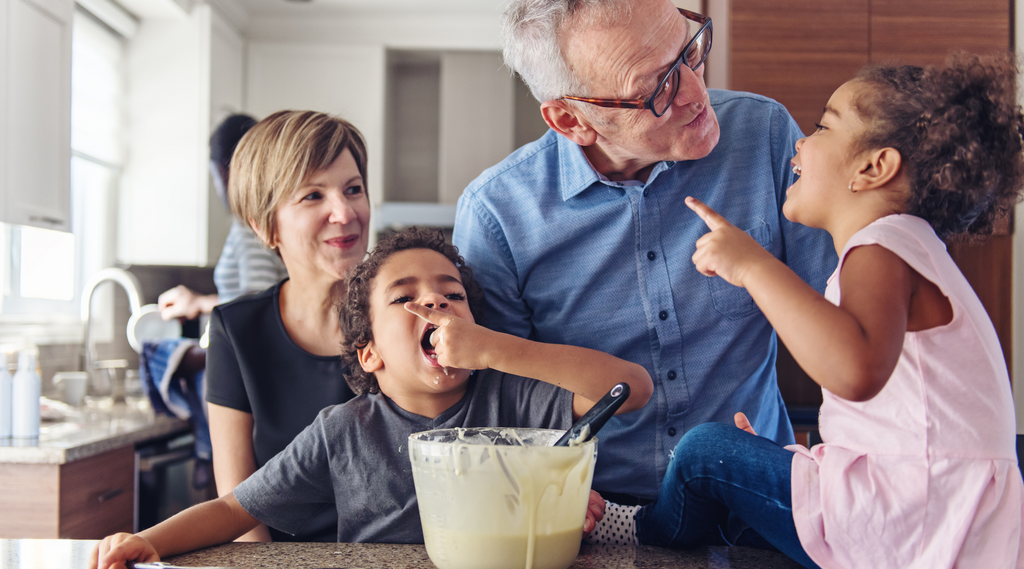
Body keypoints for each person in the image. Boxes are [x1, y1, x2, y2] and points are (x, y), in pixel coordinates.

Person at [586, 53, 1024, 568]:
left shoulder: (883, 247)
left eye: (822, 126)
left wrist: (752, 264)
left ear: (873, 167)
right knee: (740, 483)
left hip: (909, 512)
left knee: (705, 451)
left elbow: (853, 371)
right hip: (931, 506)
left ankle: (632, 530)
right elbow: (888, 421)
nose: (800, 141)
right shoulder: (909, 250)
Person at [452, 0, 836, 503]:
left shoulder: (765, 135)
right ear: (571, 120)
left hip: (756, 498)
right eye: (655, 88)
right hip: (590, 518)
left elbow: (842, 321)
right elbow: (503, 401)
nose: (698, 93)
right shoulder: (496, 216)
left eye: (689, 52)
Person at [89, 227, 653, 568]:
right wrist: (148, 540)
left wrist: (498, 350)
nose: (434, 304)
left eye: (451, 295)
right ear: (369, 354)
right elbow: (235, 508)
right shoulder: (343, 432)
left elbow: (632, 389)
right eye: (405, 298)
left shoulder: (516, 400)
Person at [204, 110, 370, 542]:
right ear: (265, 227)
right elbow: (239, 511)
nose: (344, 211)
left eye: (353, 189)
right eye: (313, 196)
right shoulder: (235, 330)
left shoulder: (405, 317)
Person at [158, 114, 288, 321]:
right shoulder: (271, 218)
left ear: (224, 171)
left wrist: (200, 303)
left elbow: (258, 300)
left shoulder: (250, 224)